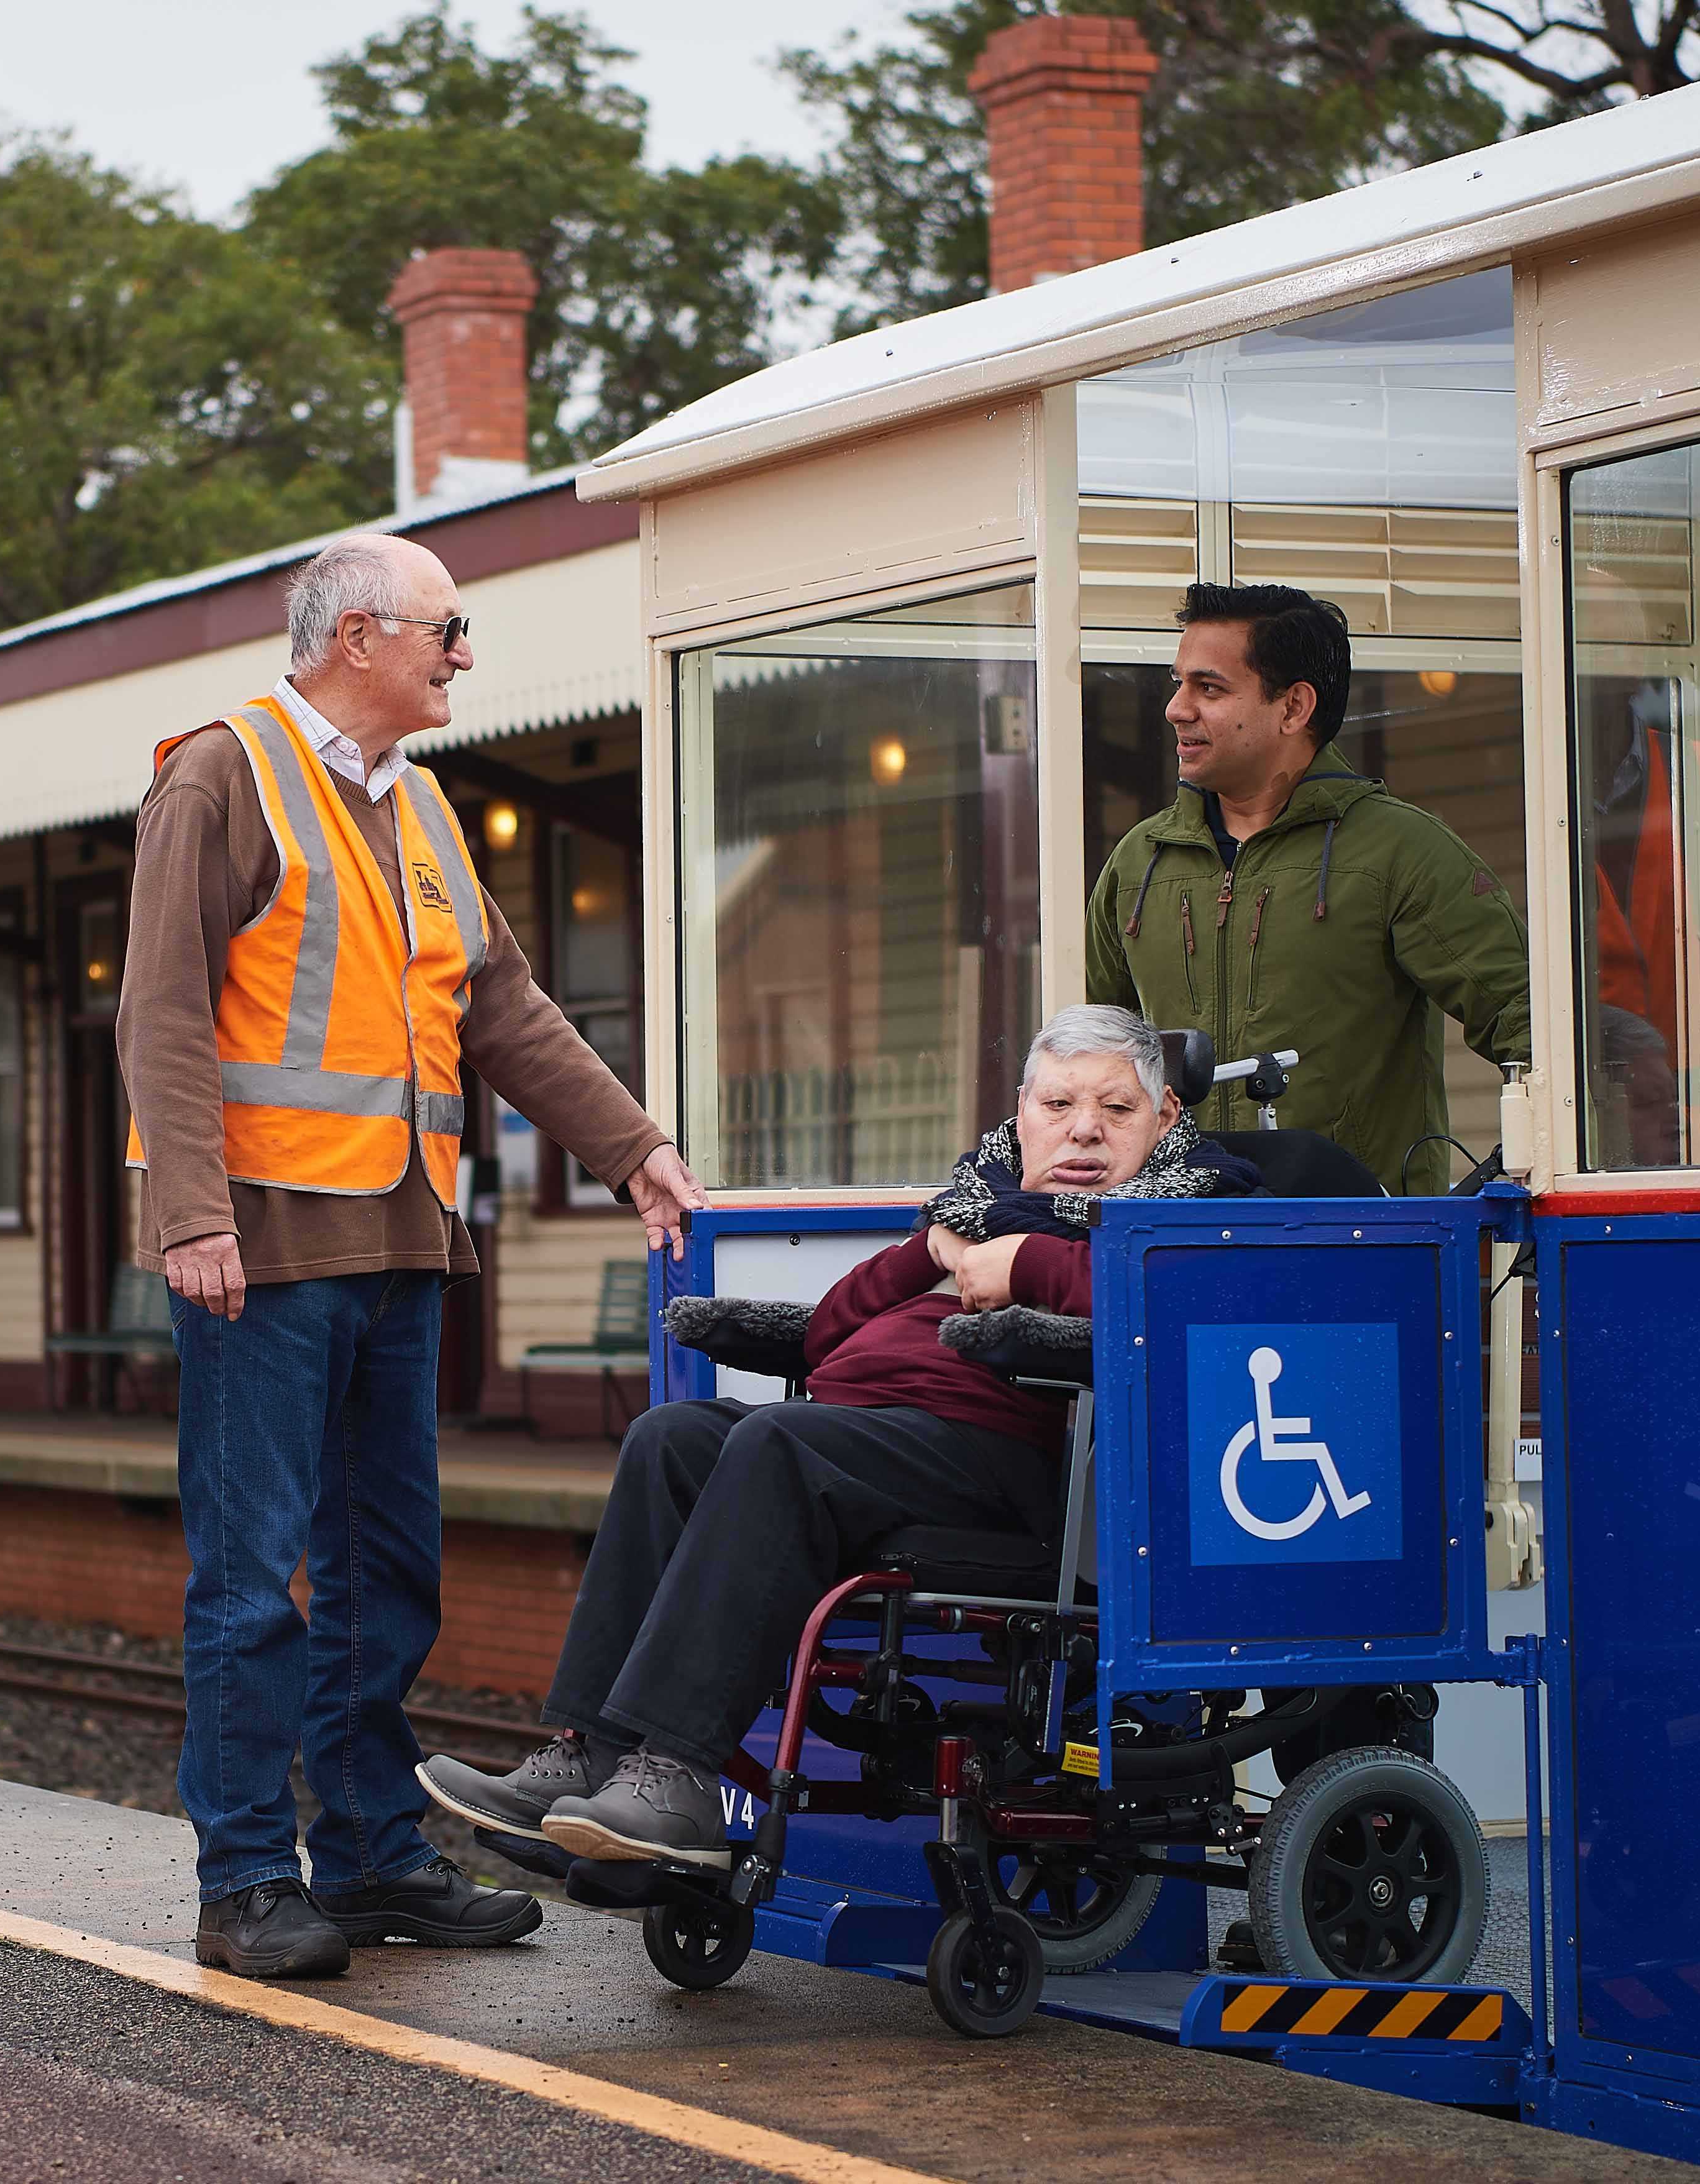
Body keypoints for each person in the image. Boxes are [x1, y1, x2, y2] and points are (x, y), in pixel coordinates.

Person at [120, 530, 708, 1980]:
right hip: (256, 1252)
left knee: (387, 1569)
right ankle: (247, 1876)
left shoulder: (432, 810)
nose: (462, 658)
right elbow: (162, 1010)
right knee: (254, 1581)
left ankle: (375, 1855)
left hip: (397, 1243)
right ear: (358, 637)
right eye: (448, 633)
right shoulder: (221, 774)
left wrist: (631, 1145)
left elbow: (501, 1011)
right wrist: (192, 1216)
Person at [419, 1007, 1260, 1868]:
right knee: (670, 1437)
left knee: (779, 1443)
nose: (1083, 1127)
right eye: (1059, 1104)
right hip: (872, 1436)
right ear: (1021, 1113)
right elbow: (828, 1334)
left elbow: (1176, 1310)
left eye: (1116, 1109)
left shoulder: (1189, 1207)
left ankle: (676, 1776)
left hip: (1007, 1458)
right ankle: (594, 1751)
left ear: (1165, 1118)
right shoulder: (978, 1203)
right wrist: (933, 1247)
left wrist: (1025, 1266)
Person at [1086, 583, 1529, 1197]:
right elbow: (1089, 1066)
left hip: (1358, 1252)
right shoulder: (1138, 862)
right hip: (1174, 1247)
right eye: (1177, 682)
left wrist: (1507, 1189)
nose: (1176, 708)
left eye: (1208, 687)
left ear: (1293, 707)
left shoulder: (1400, 850)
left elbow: (1530, 1021)